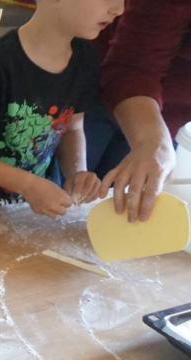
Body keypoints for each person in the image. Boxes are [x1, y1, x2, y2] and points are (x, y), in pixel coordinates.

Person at [0, 0, 123, 218]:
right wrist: (27, 184)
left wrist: (76, 172)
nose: (119, 9)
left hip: (25, 213)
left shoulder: (86, 60)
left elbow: (72, 127)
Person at [90, 0, 191, 222]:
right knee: (71, 200)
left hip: (171, 127)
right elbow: (132, 67)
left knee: (131, 222)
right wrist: (153, 142)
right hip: (108, 93)